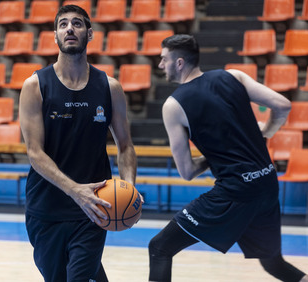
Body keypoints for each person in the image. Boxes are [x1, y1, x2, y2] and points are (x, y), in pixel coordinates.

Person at [148, 34, 308, 282]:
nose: (160, 65)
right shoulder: (233, 75)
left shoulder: (173, 105)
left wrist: (210, 158)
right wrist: (266, 133)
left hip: (235, 192)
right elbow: (283, 105)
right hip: (267, 183)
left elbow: (187, 172)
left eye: (163, 59)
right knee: (273, 263)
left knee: (159, 247)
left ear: (179, 63)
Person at [19, 5, 137, 282]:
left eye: (77, 23)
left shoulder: (110, 87)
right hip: (46, 208)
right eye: (63, 24)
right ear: (55, 36)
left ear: (90, 34)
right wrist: (75, 191)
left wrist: (128, 186)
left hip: (95, 207)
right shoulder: (35, 86)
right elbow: (35, 153)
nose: (69, 28)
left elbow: (126, 145)